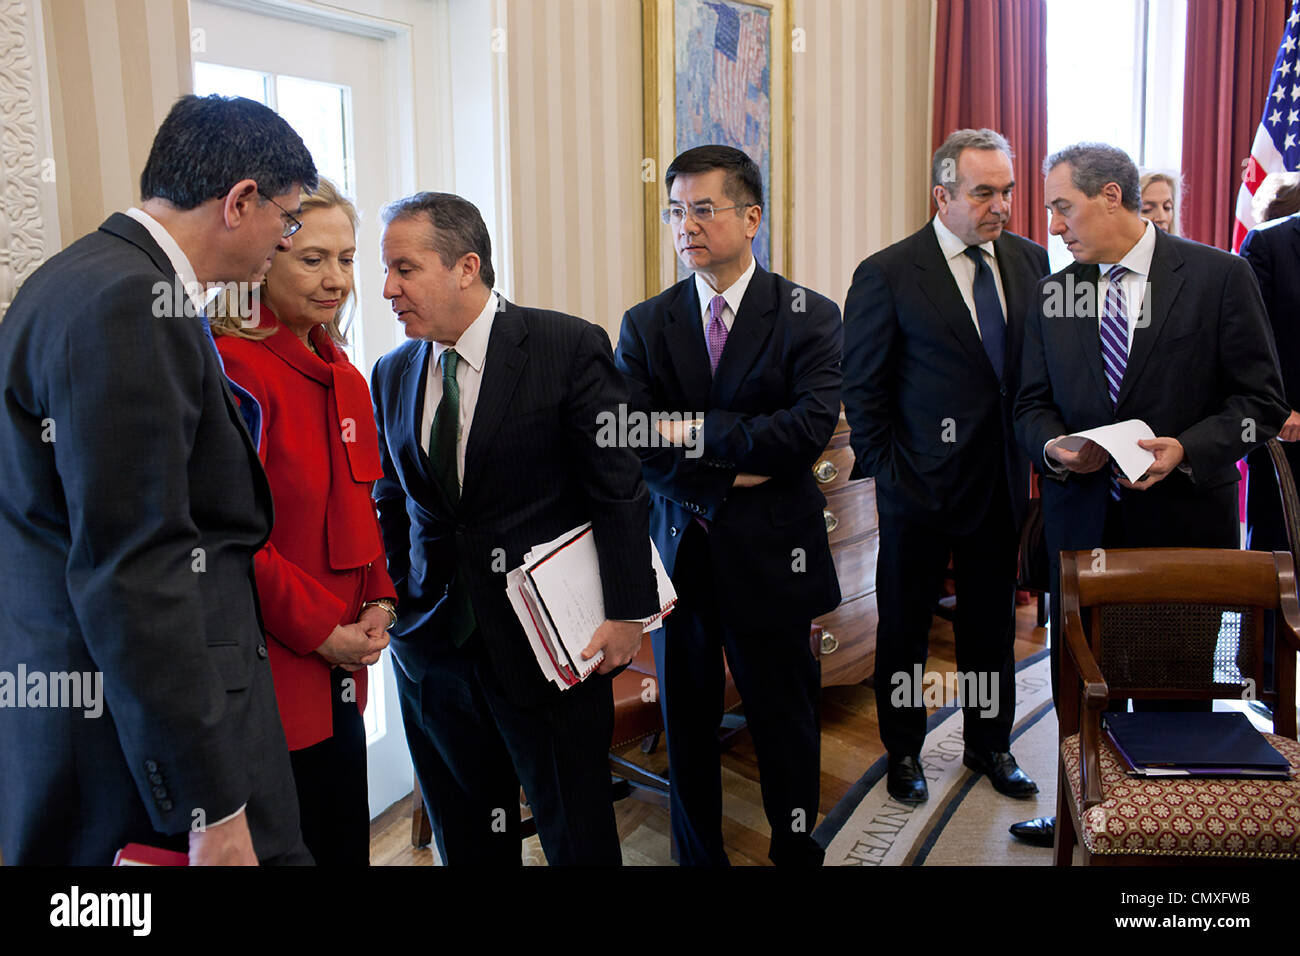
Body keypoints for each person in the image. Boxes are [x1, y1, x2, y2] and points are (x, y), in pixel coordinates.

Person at [0, 94, 317, 865]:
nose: (286, 239)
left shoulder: (74, 279)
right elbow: (137, 571)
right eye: (290, 218)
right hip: (133, 754)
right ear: (241, 201)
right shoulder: (131, 304)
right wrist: (211, 802)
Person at [1010, 142, 1288, 847]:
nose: (1053, 224)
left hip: (1186, 528)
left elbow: (1259, 403)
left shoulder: (1220, 275)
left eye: (1062, 206)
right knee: (1079, 693)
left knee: (1176, 692)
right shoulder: (1055, 290)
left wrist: (1186, 450)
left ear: (1111, 197)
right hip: (1083, 528)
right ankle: (1082, 809)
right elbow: (1029, 407)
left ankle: (1174, 829)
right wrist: (1054, 447)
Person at [370, 191, 660, 866]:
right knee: (467, 832)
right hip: (433, 651)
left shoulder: (565, 346)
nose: (387, 289)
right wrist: (397, 602)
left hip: (548, 646)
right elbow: (388, 497)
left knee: (576, 831)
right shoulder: (390, 372)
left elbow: (617, 487)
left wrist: (627, 613)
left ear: (465, 267)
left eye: (404, 269)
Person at [614, 145, 842, 866]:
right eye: (675, 211)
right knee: (685, 720)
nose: (686, 225)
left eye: (703, 209)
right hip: (678, 554)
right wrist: (730, 466)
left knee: (784, 716)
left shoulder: (809, 316)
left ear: (752, 217)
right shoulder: (647, 323)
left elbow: (803, 435)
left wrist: (694, 432)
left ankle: (794, 845)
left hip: (774, 551)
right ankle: (697, 857)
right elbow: (635, 443)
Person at [842, 129, 1049, 806]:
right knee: (903, 628)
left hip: (1000, 485)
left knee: (990, 625)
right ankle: (903, 751)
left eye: (1008, 191)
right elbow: (864, 390)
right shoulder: (889, 272)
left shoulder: (1030, 262)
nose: (1002, 206)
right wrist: (889, 475)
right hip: (916, 491)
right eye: (985, 192)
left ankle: (990, 744)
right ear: (944, 195)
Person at [212, 178, 394, 865]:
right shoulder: (231, 369)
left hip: (347, 663)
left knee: (343, 840)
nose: (337, 279)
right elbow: (231, 538)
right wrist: (324, 632)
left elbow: (362, 505)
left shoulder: (343, 369)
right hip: (278, 671)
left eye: (346, 259)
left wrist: (380, 598)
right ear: (263, 261)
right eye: (312, 259)